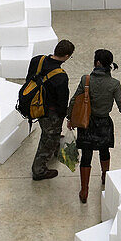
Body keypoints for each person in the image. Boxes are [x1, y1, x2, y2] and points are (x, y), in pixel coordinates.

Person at [67, 50, 121, 204]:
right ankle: (105, 176)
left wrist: (69, 118)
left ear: (97, 63)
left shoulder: (86, 80)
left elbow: (74, 101)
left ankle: (84, 190)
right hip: (104, 123)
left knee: (86, 156)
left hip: (87, 124)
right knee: (104, 152)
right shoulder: (114, 84)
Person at [25, 39, 75, 181]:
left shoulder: (37, 60)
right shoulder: (61, 76)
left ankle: (54, 144)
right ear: (66, 56)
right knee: (48, 138)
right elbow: (61, 102)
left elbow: (29, 79)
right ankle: (39, 170)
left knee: (49, 133)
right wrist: (63, 116)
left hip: (34, 106)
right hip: (49, 113)